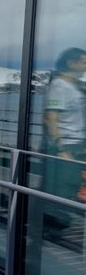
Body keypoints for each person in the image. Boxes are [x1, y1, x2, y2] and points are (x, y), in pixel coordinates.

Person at [43, 48, 86, 229]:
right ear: (72, 63)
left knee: (73, 185)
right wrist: (61, 149)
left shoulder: (77, 86)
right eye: (84, 62)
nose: (85, 66)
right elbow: (50, 118)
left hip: (78, 144)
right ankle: (52, 227)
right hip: (66, 146)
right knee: (60, 189)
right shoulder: (59, 86)